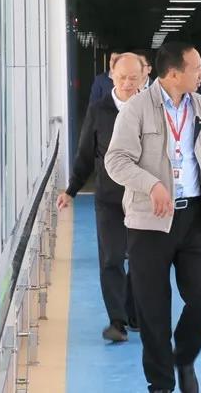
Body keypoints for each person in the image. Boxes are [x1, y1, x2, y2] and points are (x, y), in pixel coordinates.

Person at [105, 42, 201, 393]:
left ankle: (183, 359)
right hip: (149, 222)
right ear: (174, 73)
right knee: (153, 311)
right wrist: (152, 184)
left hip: (193, 218)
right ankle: (160, 383)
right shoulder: (137, 109)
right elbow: (116, 160)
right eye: (196, 67)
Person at [57, 53, 146, 341]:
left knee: (142, 259)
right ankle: (117, 321)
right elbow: (86, 153)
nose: (128, 83)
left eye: (133, 78)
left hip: (144, 198)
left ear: (144, 77)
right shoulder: (99, 110)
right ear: (112, 76)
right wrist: (71, 190)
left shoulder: (152, 108)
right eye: (122, 78)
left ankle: (133, 312)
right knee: (111, 258)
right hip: (109, 198)